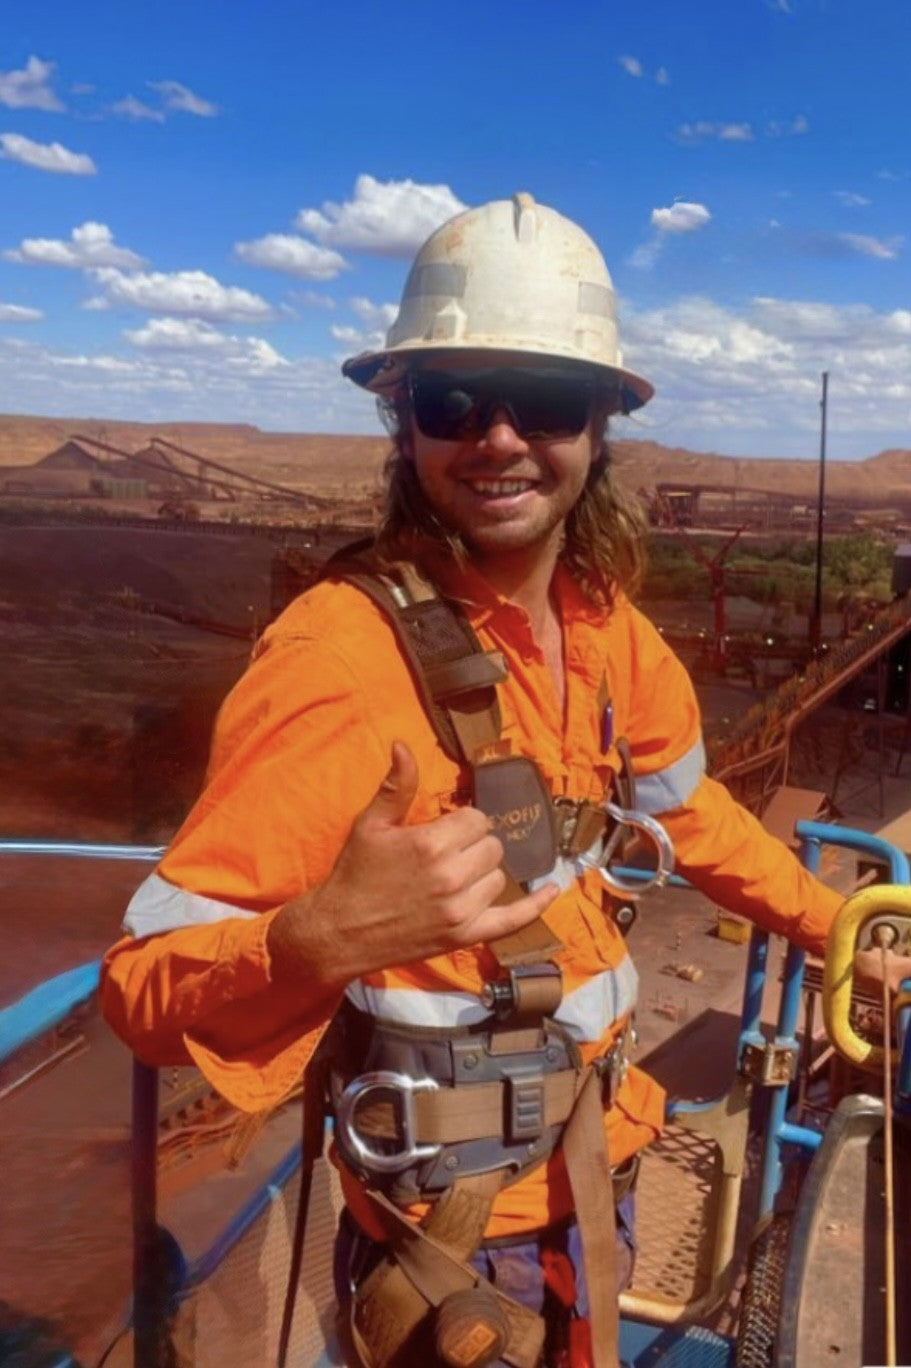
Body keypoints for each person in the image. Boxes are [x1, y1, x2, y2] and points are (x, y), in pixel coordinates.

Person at [100, 193, 911, 1368]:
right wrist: (312, 941)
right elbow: (140, 989)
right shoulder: (337, 660)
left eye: (541, 402)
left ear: (597, 427)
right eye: (452, 401)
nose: (495, 438)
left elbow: (690, 814)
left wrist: (841, 928)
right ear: (404, 426)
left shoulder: (602, 627)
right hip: (455, 1242)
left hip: (594, 1161)